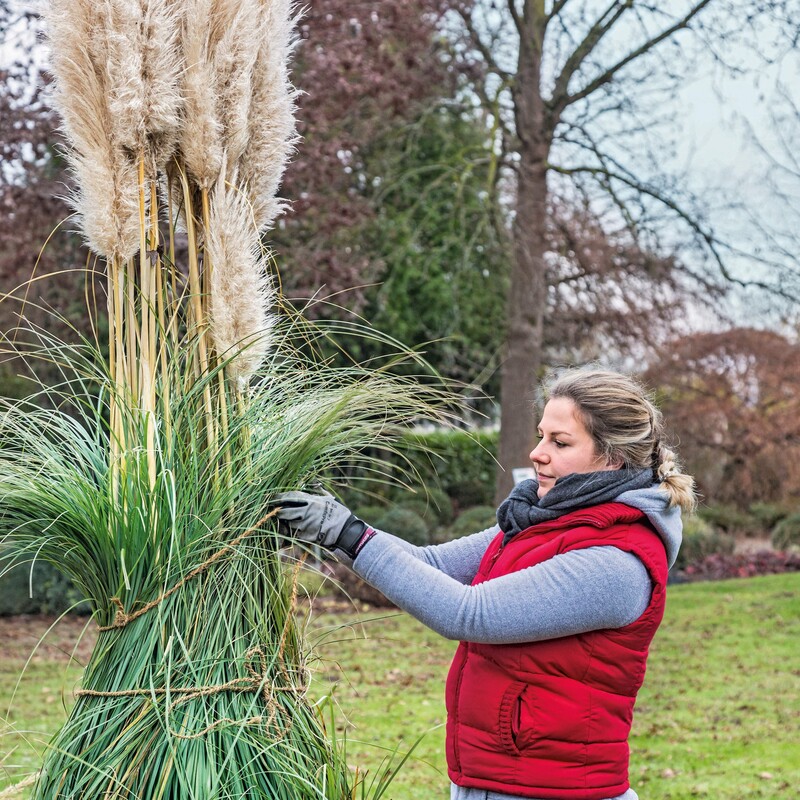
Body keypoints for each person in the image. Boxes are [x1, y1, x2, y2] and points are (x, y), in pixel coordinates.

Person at [273, 368, 696, 800]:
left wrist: (348, 534)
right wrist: (333, 526)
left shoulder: (617, 562)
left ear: (613, 460)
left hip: (552, 790)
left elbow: (470, 614)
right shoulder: (540, 521)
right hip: (494, 778)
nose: (537, 453)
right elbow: (428, 564)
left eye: (560, 442)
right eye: (541, 435)